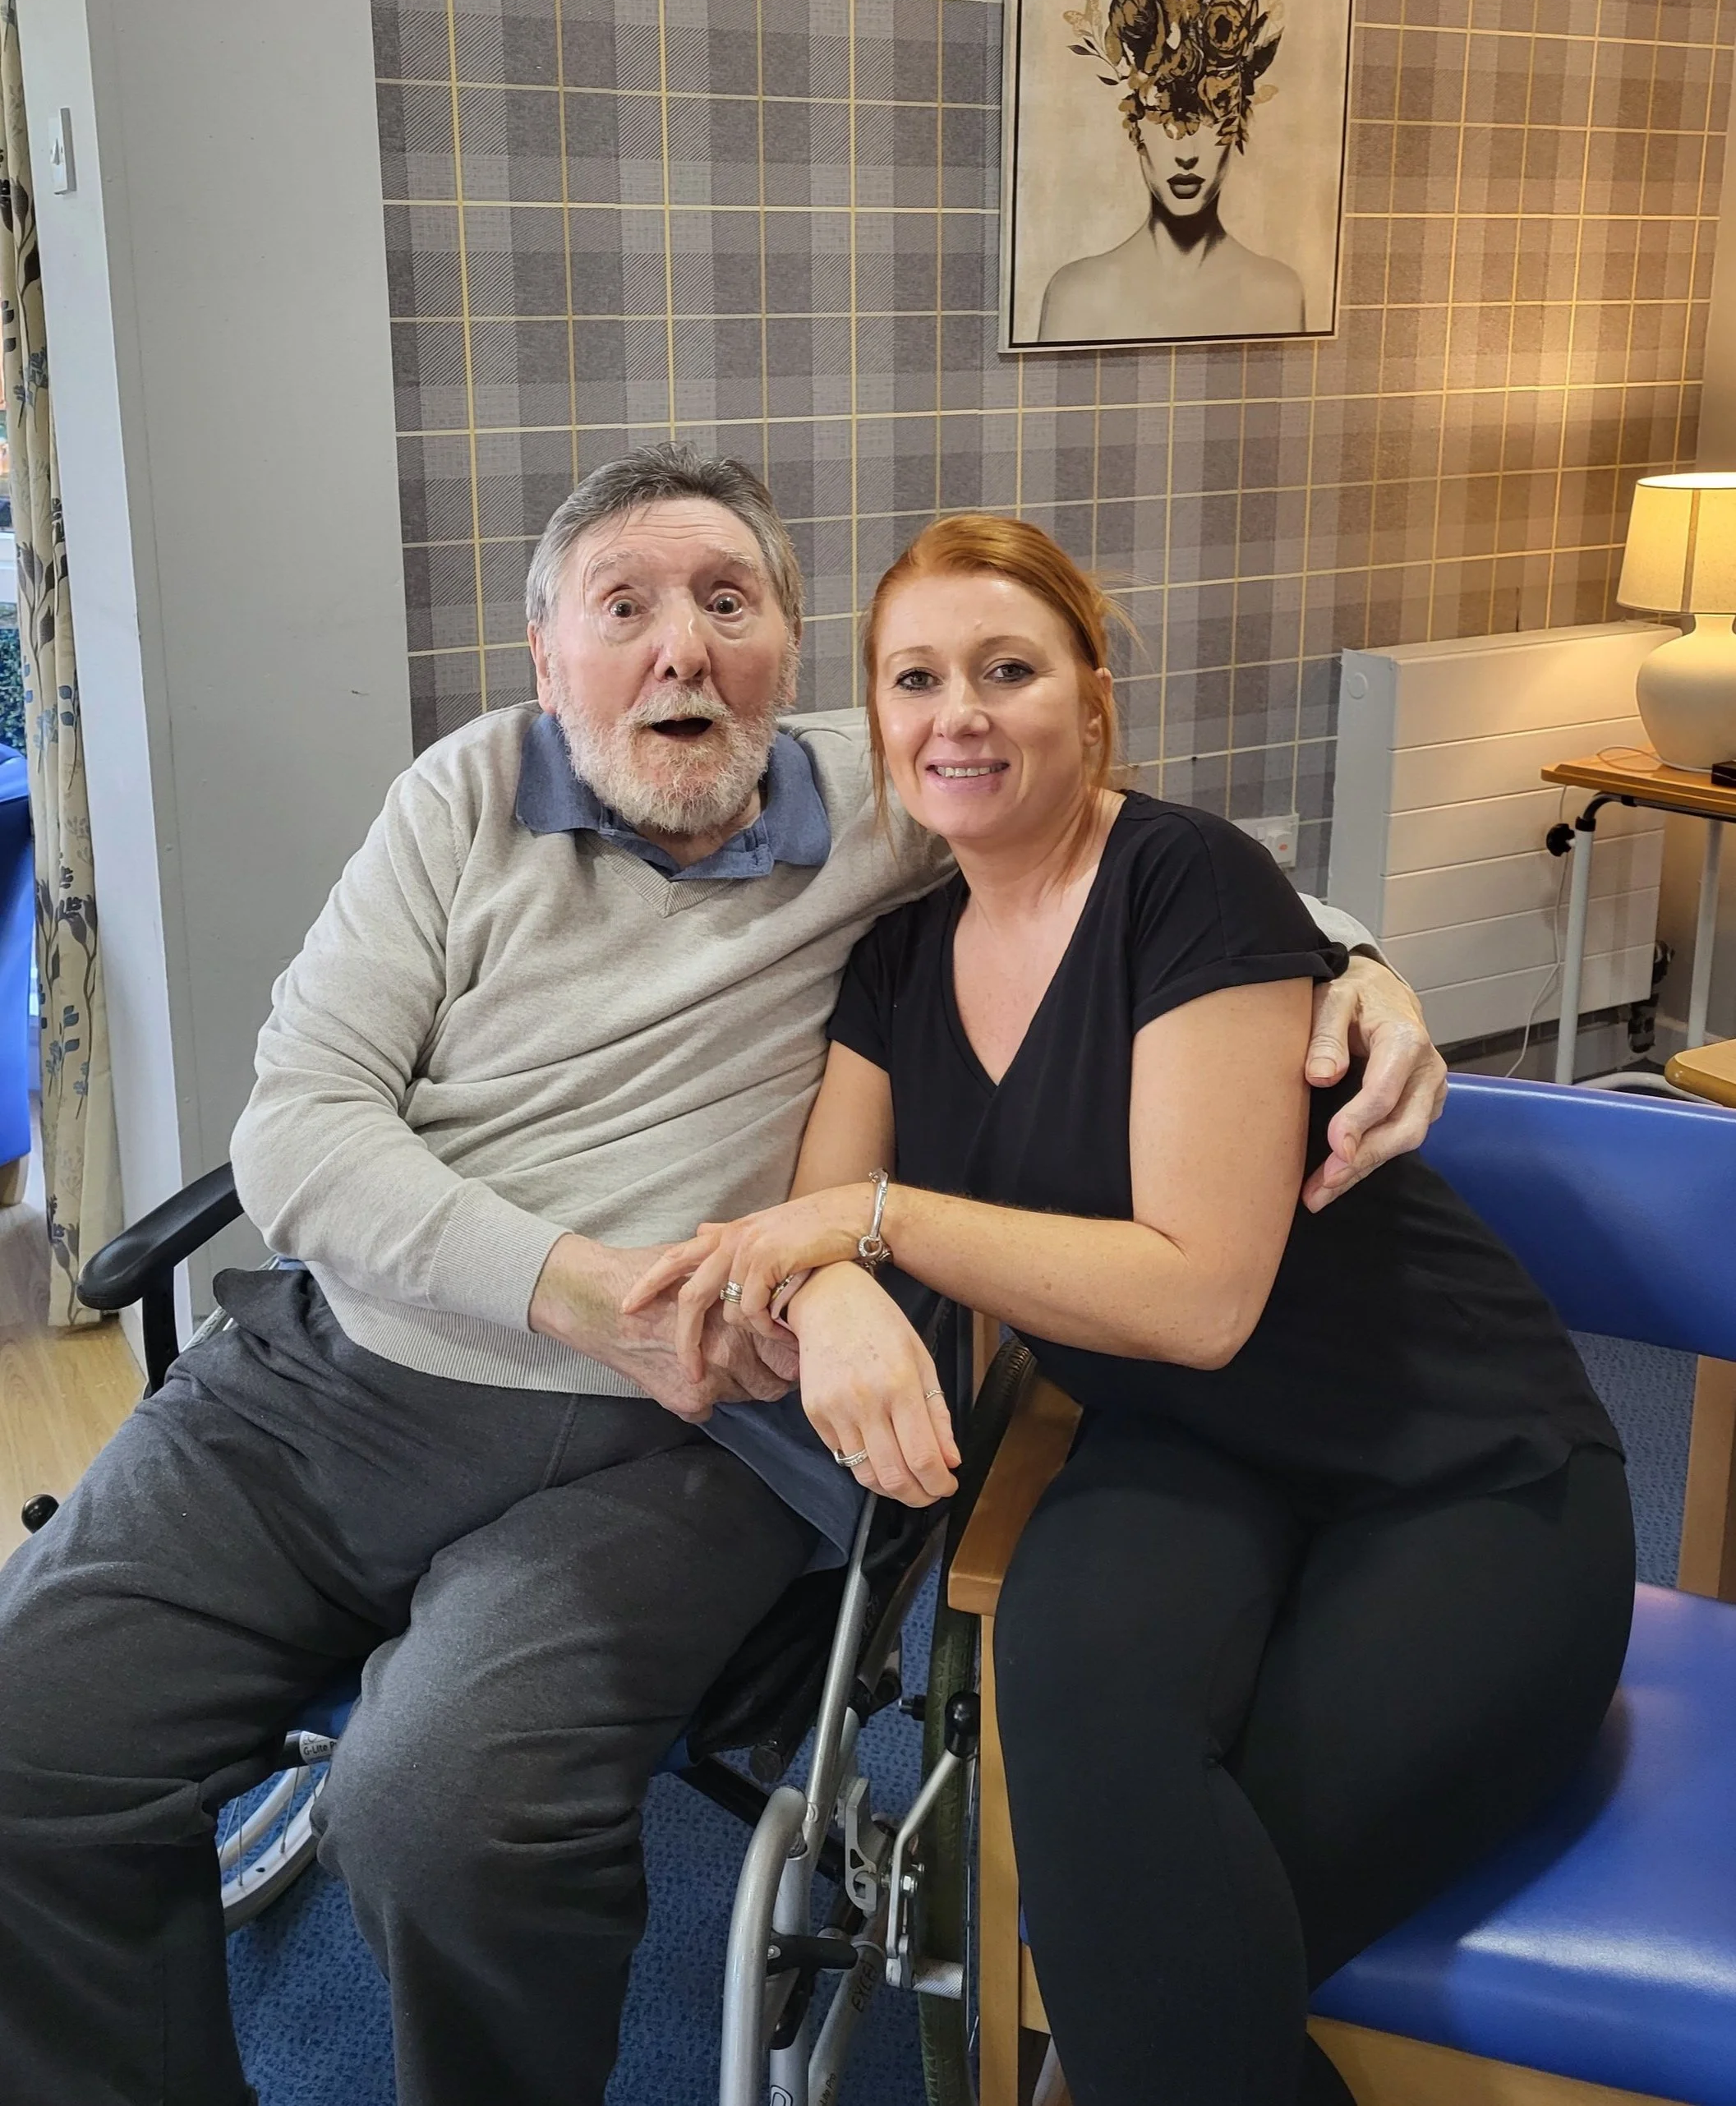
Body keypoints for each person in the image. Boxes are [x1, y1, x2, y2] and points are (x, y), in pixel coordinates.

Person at [0, 449, 1444, 2106]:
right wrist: (580, 1291)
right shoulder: (463, 797)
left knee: (444, 1806)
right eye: (622, 607)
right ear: (546, 657)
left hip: (688, 1433)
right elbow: (299, 1129)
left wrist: (1359, 964)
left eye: (726, 601)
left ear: (785, 647)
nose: (679, 646)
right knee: (28, 1742)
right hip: (334, 1387)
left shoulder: (888, 795)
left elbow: (1147, 872)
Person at [629, 514, 1635, 2106]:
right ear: (876, 721)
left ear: (1091, 700)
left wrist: (874, 1223)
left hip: (1452, 1457)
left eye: (1006, 669)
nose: (959, 713)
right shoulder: (896, 959)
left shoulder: (1185, 878)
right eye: (915, 678)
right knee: (1090, 1765)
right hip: (1173, 1452)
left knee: (1171, 1921)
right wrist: (831, 1283)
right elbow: (818, 1223)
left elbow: (1198, 1296)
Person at [1038, 0, 1305, 343]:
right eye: (1166, 117)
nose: (1187, 153)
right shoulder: (1078, 295)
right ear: (1135, 126)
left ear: (1238, 123)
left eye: (1211, 117)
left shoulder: (1278, 294)